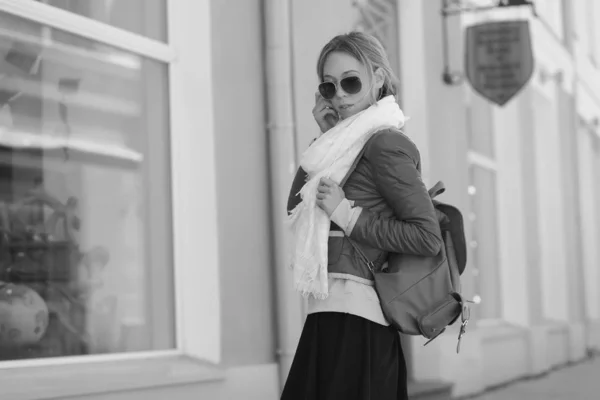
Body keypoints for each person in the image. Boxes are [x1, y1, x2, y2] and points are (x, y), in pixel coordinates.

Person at [283, 31, 443, 400]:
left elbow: (426, 235)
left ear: (379, 79)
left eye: (351, 82)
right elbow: (295, 207)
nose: (339, 95)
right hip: (328, 310)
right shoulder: (341, 145)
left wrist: (345, 213)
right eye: (328, 87)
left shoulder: (385, 142)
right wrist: (324, 138)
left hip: (359, 317)